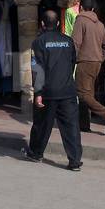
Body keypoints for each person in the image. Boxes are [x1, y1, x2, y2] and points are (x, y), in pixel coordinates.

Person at [21, 10, 83, 171]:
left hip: (48, 92)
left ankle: (36, 153)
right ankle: (75, 161)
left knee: (42, 125)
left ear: (42, 24)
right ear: (58, 23)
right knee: (71, 127)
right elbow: (72, 63)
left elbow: (37, 69)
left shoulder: (39, 42)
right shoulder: (68, 41)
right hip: (67, 90)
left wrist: (38, 93)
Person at [72, 0, 105, 134]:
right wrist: (99, 58)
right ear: (93, 9)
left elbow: (75, 43)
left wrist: (71, 60)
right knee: (88, 93)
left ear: (81, 8)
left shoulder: (81, 20)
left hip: (84, 62)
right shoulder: (100, 24)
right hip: (96, 63)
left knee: (82, 94)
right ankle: (84, 125)